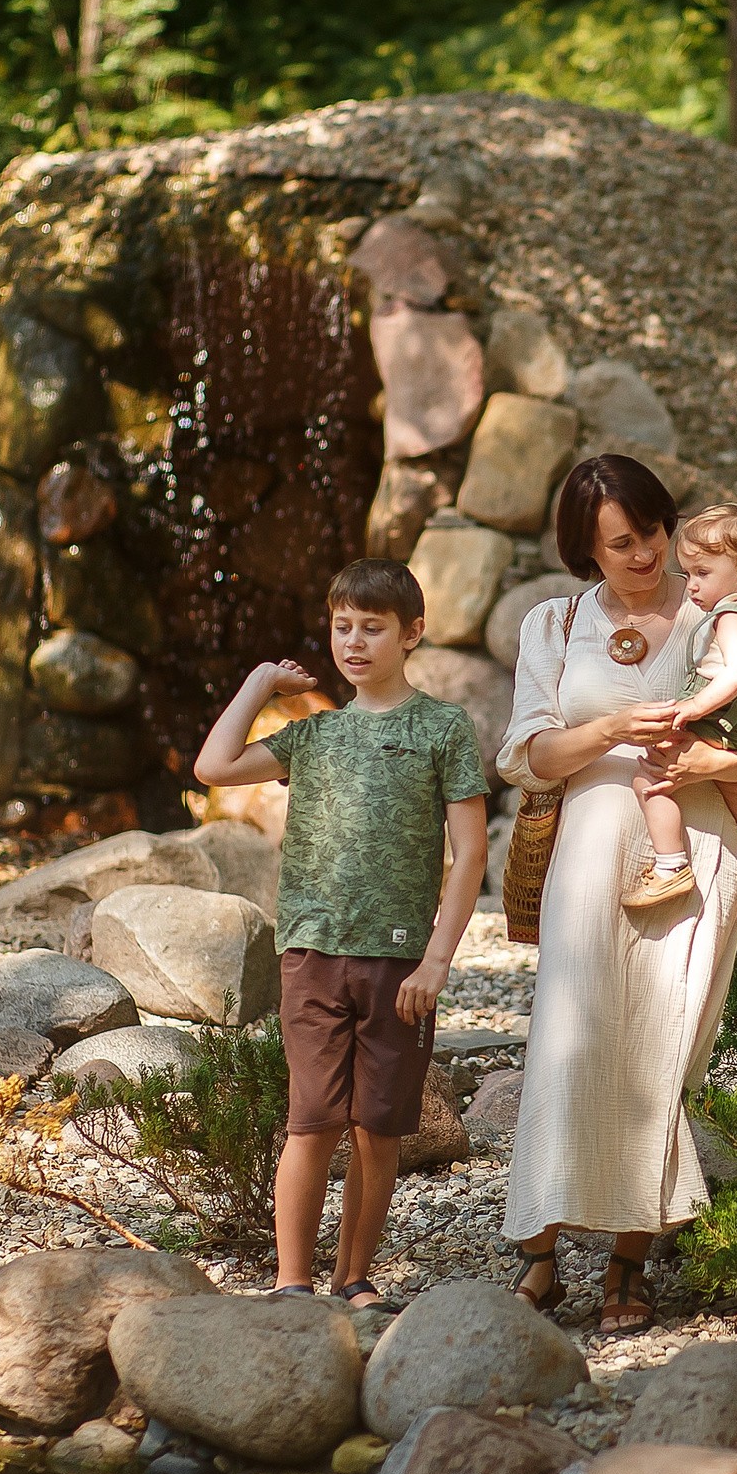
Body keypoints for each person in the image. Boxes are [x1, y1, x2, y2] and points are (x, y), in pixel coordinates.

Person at [496, 456, 737, 1332]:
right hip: (590, 860)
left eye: (654, 534)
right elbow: (527, 755)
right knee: (567, 1040)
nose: (643, 556)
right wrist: (604, 729)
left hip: (701, 855)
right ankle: (541, 1249)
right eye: (619, 544)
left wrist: (707, 759)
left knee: (669, 1047)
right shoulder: (554, 625)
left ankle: (630, 1260)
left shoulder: (723, 612)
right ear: (583, 552)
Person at [194, 558, 490, 1309]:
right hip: (311, 953)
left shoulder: (442, 729)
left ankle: (352, 1277)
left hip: (398, 959)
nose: (353, 642)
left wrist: (437, 960)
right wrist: (263, 683)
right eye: (342, 626)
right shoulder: (312, 735)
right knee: (313, 1122)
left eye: (373, 627)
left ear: (412, 633)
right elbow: (213, 765)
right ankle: (292, 1281)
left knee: (378, 1130)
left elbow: (470, 857)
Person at [625, 503, 737, 934]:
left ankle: (670, 866)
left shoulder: (729, 615)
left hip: (721, 720)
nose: (690, 586)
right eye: (687, 575)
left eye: (701, 573)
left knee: (648, 777)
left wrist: (694, 707)